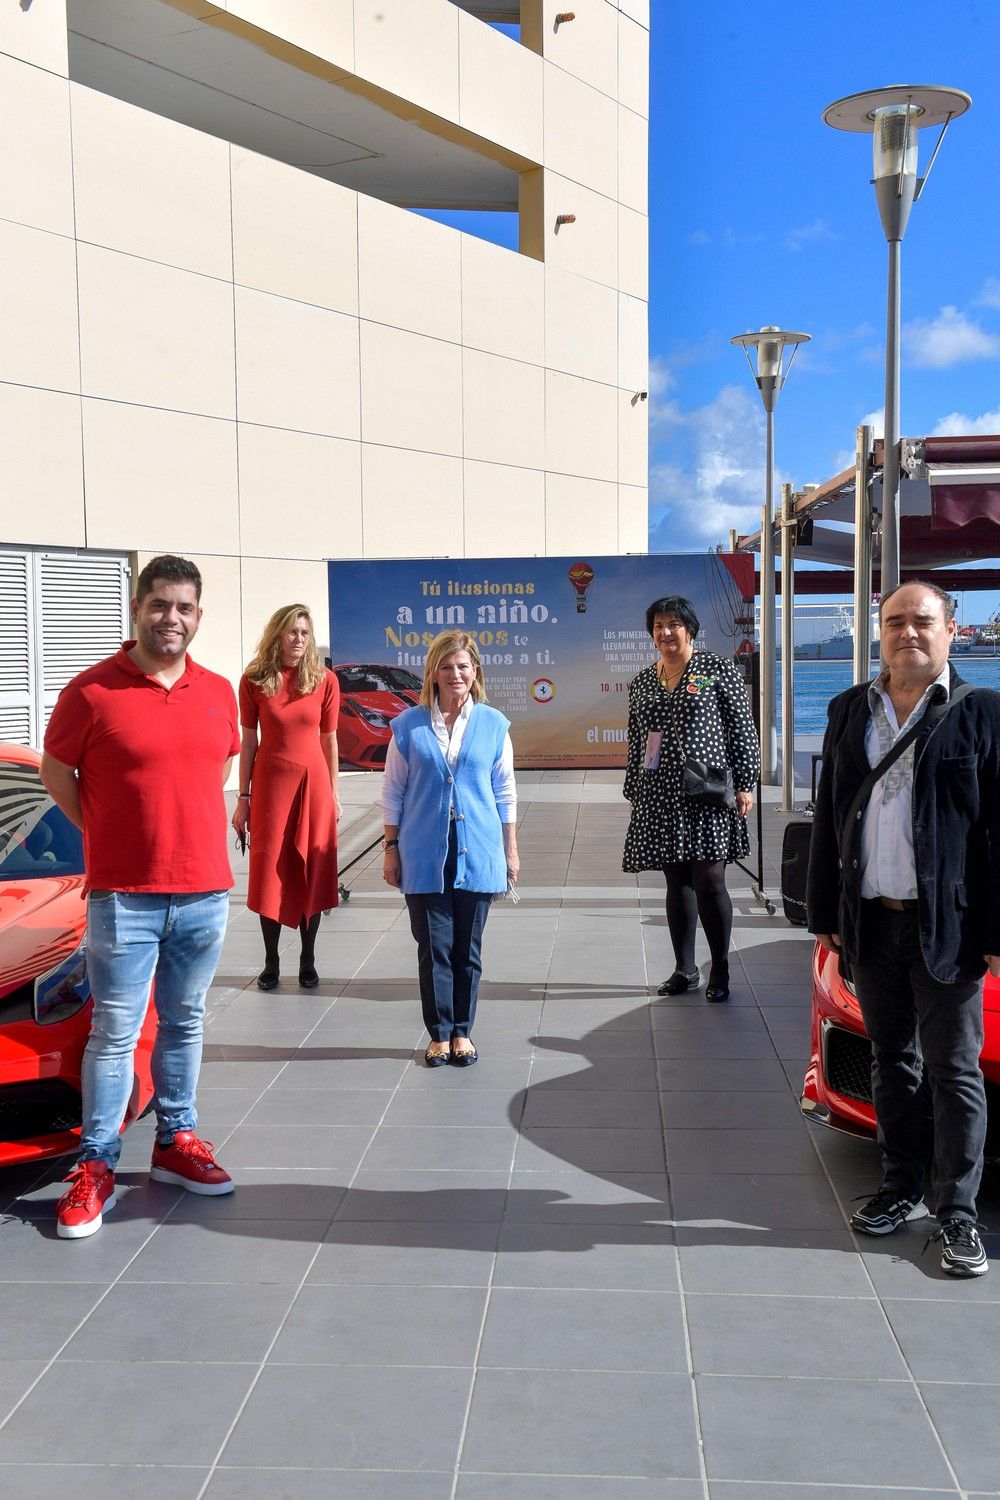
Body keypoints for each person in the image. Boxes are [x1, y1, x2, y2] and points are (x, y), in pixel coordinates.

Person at [40, 555, 239, 1239]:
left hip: (206, 892)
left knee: (184, 1021)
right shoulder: (92, 691)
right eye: (160, 605)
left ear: (198, 616)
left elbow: (219, 764)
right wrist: (103, 827)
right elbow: (53, 770)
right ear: (137, 607)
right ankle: (95, 1165)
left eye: (184, 608)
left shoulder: (218, 691)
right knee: (115, 1033)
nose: (172, 618)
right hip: (123, 896)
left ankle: (175, 1143)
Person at [808, 580, 1000, 1279]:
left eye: (922, 621)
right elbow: (832, 815)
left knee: (954, 1072)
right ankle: (900, 1187)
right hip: (872, 924)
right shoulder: (847, 709)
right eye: (894, 622)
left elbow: (996, 832)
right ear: (878, 631)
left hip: (947, 929)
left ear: (952, 629)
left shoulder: (981, 713)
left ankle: (958, 1213)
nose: (907, 633)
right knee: (894, 1062)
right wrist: (824, 914)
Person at [381, 631, 518, 1066]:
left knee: (467, 948)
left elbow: (505, 792)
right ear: (433, 673)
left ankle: (463, 1031)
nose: (455, 674)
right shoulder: (408, 726)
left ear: (475, 671)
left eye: (463, 666)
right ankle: (439, 1033)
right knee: (433, 945)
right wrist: (391, 847)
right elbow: (393, 791)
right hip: (423, 851)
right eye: (446, 666)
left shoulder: (495, 725)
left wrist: (510, 849)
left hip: (477, 849)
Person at [622, 595, 758, 1003]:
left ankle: (720, 967)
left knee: (710, 879)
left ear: (690, 629)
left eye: (673, 625)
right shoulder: (645, 680)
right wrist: (635, 788)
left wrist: (746, 782)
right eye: (658, 626)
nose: (666, 633)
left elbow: (742, 728)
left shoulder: (716, 670)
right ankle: (685, 968)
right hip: (660, 791)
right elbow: (637, 740)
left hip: (707, 789)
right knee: (676, 881)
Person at [232, 605, 341, 990]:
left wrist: (335, 794)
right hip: (270, 787)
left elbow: (329, 741)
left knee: (310, 870)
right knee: (268, 872)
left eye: (305, 633)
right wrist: (243, 797)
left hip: (313, 786)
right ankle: (271, 960)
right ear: (277, 633)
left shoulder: (325, 680)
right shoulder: (254, 680)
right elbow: (249, 743)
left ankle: (308, 958)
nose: (298, 639)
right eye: (292, 632)